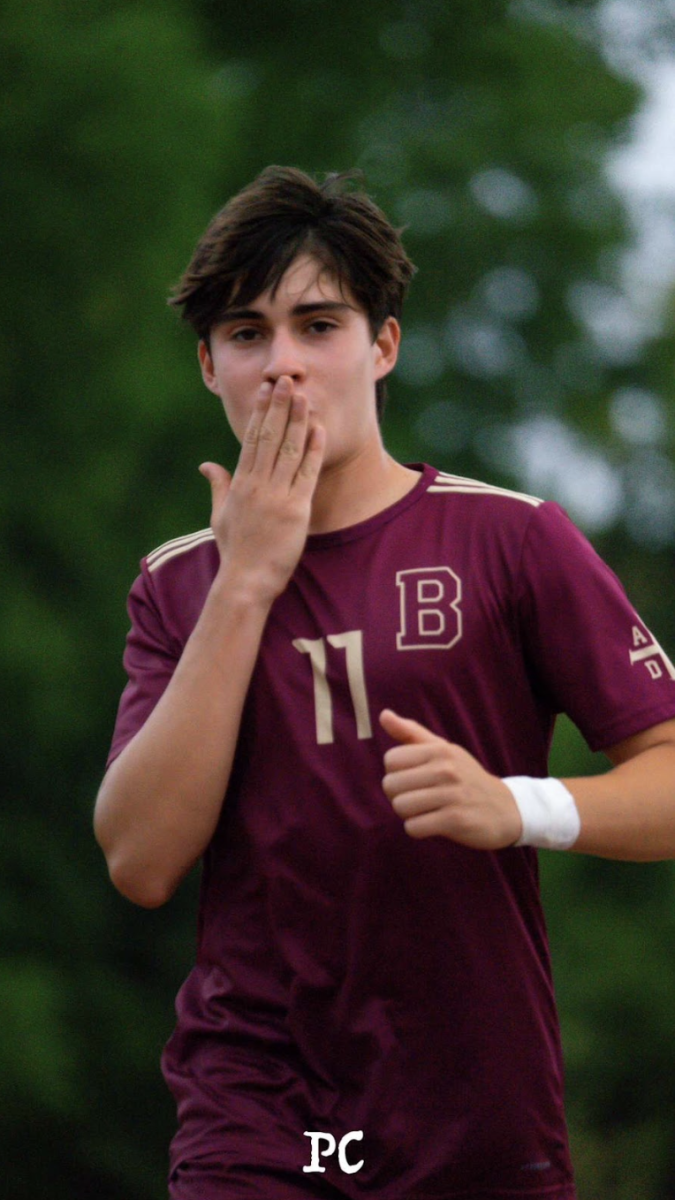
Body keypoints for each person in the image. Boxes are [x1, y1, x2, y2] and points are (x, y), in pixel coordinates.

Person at [94, 166, 675, 1200]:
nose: (283, 366)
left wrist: (518, 806)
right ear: (208, 367)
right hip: (255, 1117)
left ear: (384, 345)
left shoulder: (513, 538)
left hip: (476, 1110)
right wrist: (249, 585)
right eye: (246, 334)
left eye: (318, 325)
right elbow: (139, 858)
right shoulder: (176, 585)